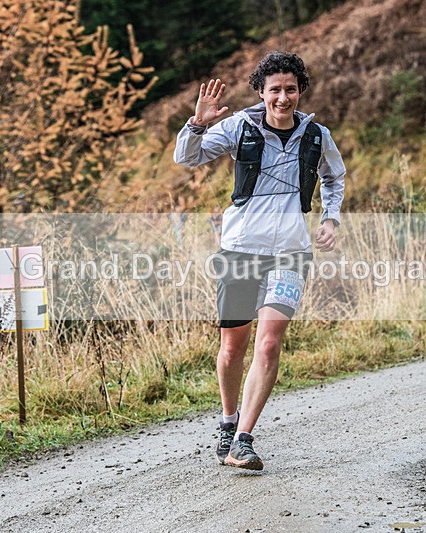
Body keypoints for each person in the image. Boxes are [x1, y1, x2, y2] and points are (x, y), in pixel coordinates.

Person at [174, 51, 345, 470]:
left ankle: (244, 440)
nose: (283, 98)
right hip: (240, 250)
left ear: (300, 91)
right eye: (275, 90)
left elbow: (334, 177)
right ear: (261, 92)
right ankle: (228, 421)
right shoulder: (240, 127)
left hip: (291, 253)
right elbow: (186, 157)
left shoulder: (316, 135)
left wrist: (331, 219)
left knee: (269, 343)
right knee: (233, 348)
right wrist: (198, 123)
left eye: (290, 89)